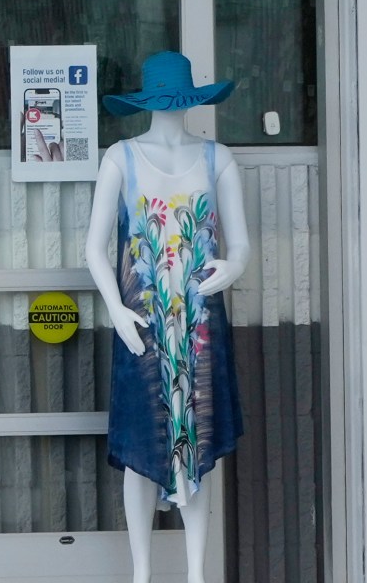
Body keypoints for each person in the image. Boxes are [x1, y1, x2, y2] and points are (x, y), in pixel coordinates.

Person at [81, 51, 250, 583]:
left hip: (200, 327)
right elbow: (94, 248)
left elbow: (242, 244)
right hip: (142, 326)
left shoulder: (217, 158)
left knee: (196, 445)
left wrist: (232, 266)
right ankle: (142, 574)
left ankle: (197, 574)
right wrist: (117, 311)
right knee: (141, 448)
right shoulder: (121, 158)